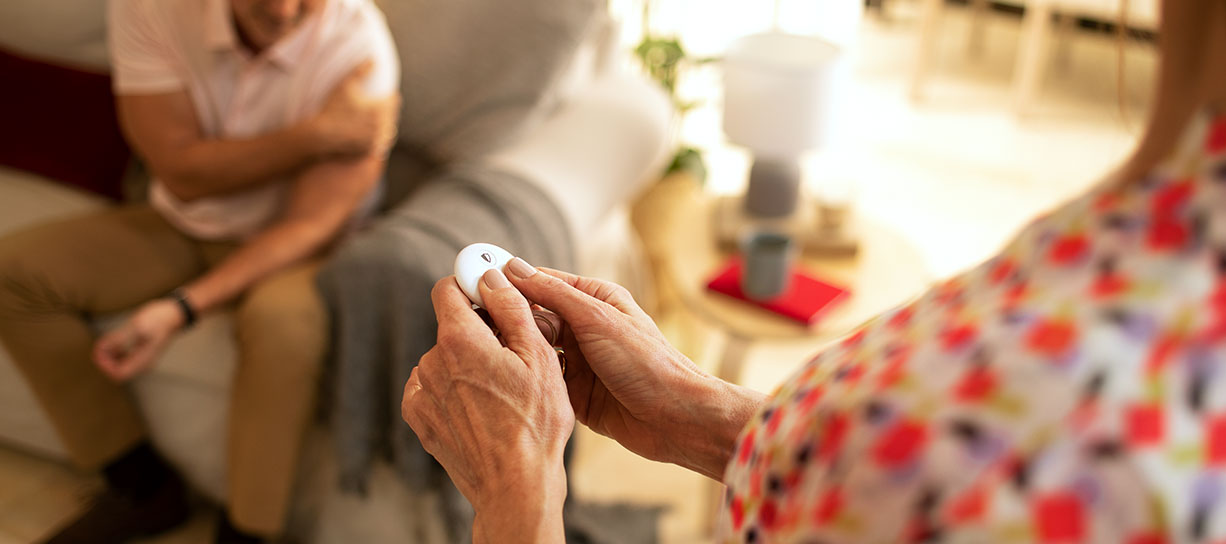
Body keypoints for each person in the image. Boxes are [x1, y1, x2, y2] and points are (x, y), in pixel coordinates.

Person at [400, 0, 1226, 541]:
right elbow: (920, 490)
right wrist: (708, 417)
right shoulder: (1164, 229)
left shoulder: (1069, 411)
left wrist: (517, 490)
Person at [0, 0, 398, 542]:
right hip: (186, 222)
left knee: (284, 327)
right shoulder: (150, 8)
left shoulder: (361, 46)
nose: (283, 13)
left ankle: (247, 533)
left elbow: (311, 224)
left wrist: (182, 306)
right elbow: (181, 173)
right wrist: (319, 134)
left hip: (296, 245)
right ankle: (142, 486)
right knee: (15, 274)